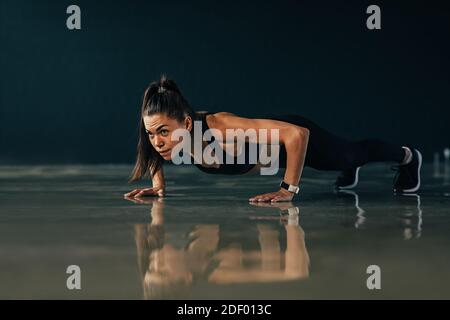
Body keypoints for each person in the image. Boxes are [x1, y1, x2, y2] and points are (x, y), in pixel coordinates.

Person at [124, 75, 422, 202]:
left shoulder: (219, 128)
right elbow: (152, 148)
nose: (157, 141)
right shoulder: (171, 137)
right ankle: (346, 167)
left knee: (349, 155)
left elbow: (297, 135)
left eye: (163, 132)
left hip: (292, 136)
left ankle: (408, 156)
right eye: (152, 133)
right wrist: (157, 185)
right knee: (342, 161)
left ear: (187, 124)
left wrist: (286, 190)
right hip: (275, 149)